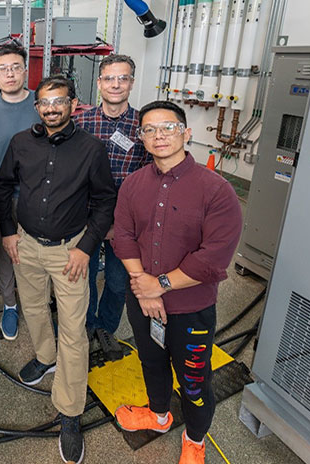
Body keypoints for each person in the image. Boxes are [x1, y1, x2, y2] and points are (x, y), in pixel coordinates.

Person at [112, 100, 242, 464]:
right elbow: (122, 235)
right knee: (152, 363)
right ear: (141, 138)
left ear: (187, 133)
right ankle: (158, 416)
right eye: (150, 129)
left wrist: (161, 285)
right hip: (141, 301)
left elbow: (213, 257)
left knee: (194, 382)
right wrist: (144, 285)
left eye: (168, 127)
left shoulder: (216, 190)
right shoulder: (134, 184)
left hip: (191, 310)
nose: (159, 135)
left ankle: (195, 438)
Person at [0, 76, 117, 464]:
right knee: (32, 308)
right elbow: (2, 188)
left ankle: (69, 411)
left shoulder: (92, 150)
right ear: (38, 107)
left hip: (70, 252)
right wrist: (9, 233)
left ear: (73, 104)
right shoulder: (21, 143)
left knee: (73, 330)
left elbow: (104, 201)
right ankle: (46, 357)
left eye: (58, 101)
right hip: (27, 244)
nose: (51, 108)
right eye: (44, 102)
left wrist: (85, 248)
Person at [74, 54, 151, 357]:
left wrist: (122, 225)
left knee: (119, 283)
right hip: (87, 219)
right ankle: (86, 325)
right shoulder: (81, 121)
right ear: (99, 83)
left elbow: (150, 178)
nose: (115, 84)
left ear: (132, 82)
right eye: (109, 78)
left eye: (123, 78)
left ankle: (106, 327)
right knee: (85, 278)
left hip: (127, 223)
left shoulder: (143, 126)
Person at [0, 43, 41, 341]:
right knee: (5, 253)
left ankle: (37, 303)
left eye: (15, 67)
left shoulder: (42, 105)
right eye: (3, 69)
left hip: (39, 196)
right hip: (2, 196)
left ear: (25, 70)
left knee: (39, 254)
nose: (10, 73)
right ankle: (10, 305)